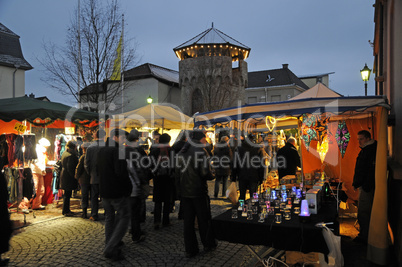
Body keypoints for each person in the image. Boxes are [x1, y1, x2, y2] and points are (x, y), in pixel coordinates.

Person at [176, 130, 217, 258]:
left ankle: (190, 249)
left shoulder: (182, 152)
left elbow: (177, 174)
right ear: (200, 139)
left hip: (185, 192)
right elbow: (205, 173)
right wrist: (213, 174)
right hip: (198, 191)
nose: (206, 141)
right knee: (203, 219)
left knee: (188, 222)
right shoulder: (200, 152)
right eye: (205, 138)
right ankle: (208, 243)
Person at [98, 129, 132, 261]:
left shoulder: (102, 150)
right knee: (124, 217)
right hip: (116, 191)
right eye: (123, 138)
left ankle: (110, 243)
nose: (124, 141)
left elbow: (97, 169)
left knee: (110, 218)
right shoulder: (118, 151)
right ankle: (111, 247)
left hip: (105, 190)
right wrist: (127, 187)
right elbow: (121, 173)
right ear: (115, 137)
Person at [126, 129, 151, 243]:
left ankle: (132, 227)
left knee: (130, 209)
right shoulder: (139, 151)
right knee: (137, 208)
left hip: (126, 186)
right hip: (136, 184)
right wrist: (143, 181)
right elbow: (143, 167)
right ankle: (137, 230)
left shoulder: (123, 151)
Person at [352, 130, 377, 244]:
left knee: (364, 212)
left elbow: (369, 170)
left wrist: (363, 185)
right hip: (364, 185)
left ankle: (364, 237)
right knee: (363, 211)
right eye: (358, 139)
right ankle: (364, 234)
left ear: (367, 138)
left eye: (361, 139)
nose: (359, 141)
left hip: (366, 187)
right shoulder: (367, 149)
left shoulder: (370, 150)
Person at [150, 133, 174, 229]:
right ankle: (165, 220)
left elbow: (150, 163)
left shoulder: (154, 150)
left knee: (158, 201)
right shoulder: (171, 150)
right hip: (168, 178)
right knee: (167, 200)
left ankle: (156, 221)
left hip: (157, 178)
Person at [233, 135, 265, 200]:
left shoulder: (238, 149)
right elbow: (262, 165)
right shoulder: (258, 148)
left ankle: (241, 208)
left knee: (242, 194)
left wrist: (233, 177)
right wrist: (261, 178)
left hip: (242, 175)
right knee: (253, 195)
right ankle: (252, 208)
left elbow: (234, 164)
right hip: (254, 175)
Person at [84, 129, 106, 221]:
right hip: (105, 177)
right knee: (105, 196)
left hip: (94, 176)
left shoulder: (90, 148)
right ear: (104, 136)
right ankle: (107, 213)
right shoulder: (107, 147)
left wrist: (90, 173)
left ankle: (94, 214)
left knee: (94, 197)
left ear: (95, 136)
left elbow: (86, 163)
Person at [30, 138, 50, 210]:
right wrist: (42, 169)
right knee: (34, 189)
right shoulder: (37, 151)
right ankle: (25, 204)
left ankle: (37, 204)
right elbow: (34, 162)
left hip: (39, 172)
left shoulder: (42, 152)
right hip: (35, 171)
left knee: (41, 190)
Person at [60, 141, 79, 216]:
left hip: (64, 175)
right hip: (68, 177)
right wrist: (74, 176)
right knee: (67, 195)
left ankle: (66, 210)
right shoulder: (71, 156)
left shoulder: (65, 153)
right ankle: (66, 211)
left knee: (66, 195)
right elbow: (70, 168)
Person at [75, 142, 91, 218]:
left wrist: (77, 177)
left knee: (84, 196)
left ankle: (84, 212)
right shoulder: (92, 156)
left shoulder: (83, 157)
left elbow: (79, 169)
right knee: (92, 196)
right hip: (91, 179)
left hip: (84, 180)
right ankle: (94, 212)